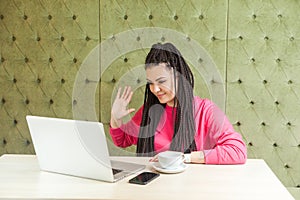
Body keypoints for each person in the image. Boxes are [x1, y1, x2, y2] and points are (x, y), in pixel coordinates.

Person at [110, 42, 247, 164]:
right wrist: (116, 118)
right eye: (151, 83)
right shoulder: (150, 112)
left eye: (161, 81)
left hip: (194, 186)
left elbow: (237, 151)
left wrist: (185, 157)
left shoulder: (205, 110)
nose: (155, 89)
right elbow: (122, 140)